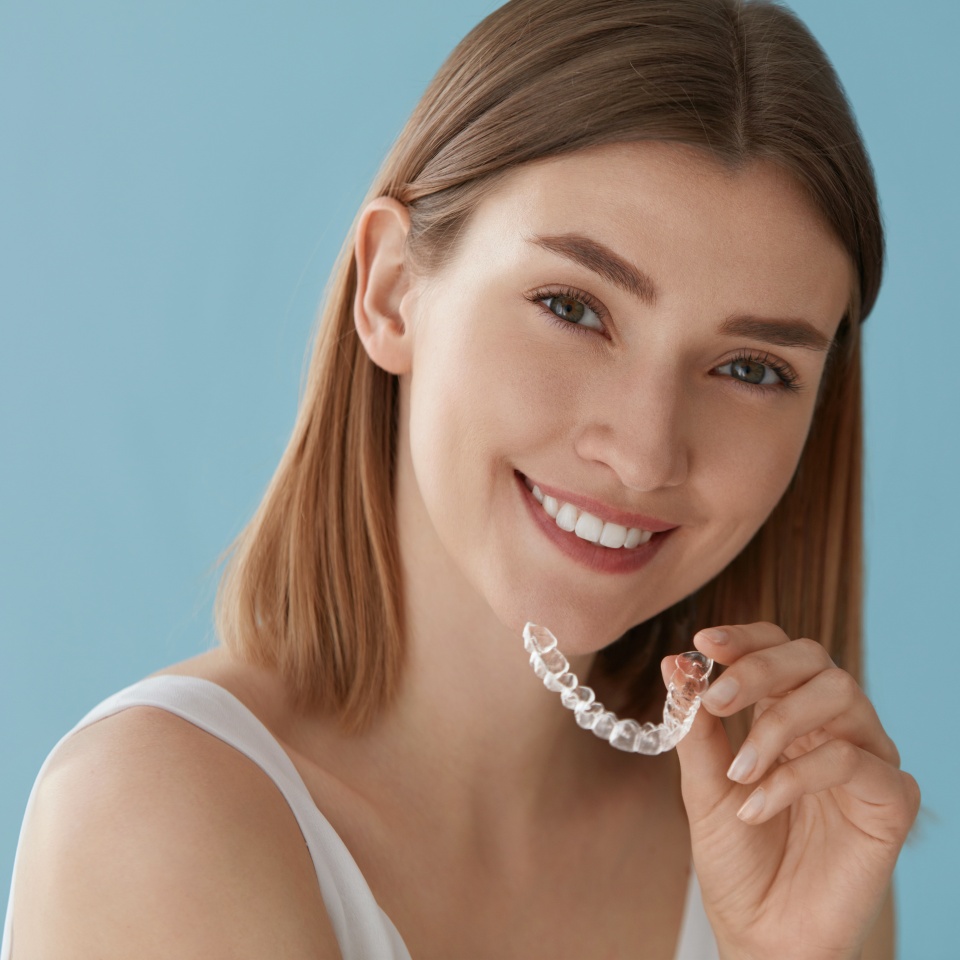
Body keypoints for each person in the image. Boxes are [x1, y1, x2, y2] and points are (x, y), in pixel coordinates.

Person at [2, 0, 920, 957]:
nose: (647, 453)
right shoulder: (152, 815)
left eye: (751, 370)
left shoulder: (784, 844)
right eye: (572, 307)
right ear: (392, 290)